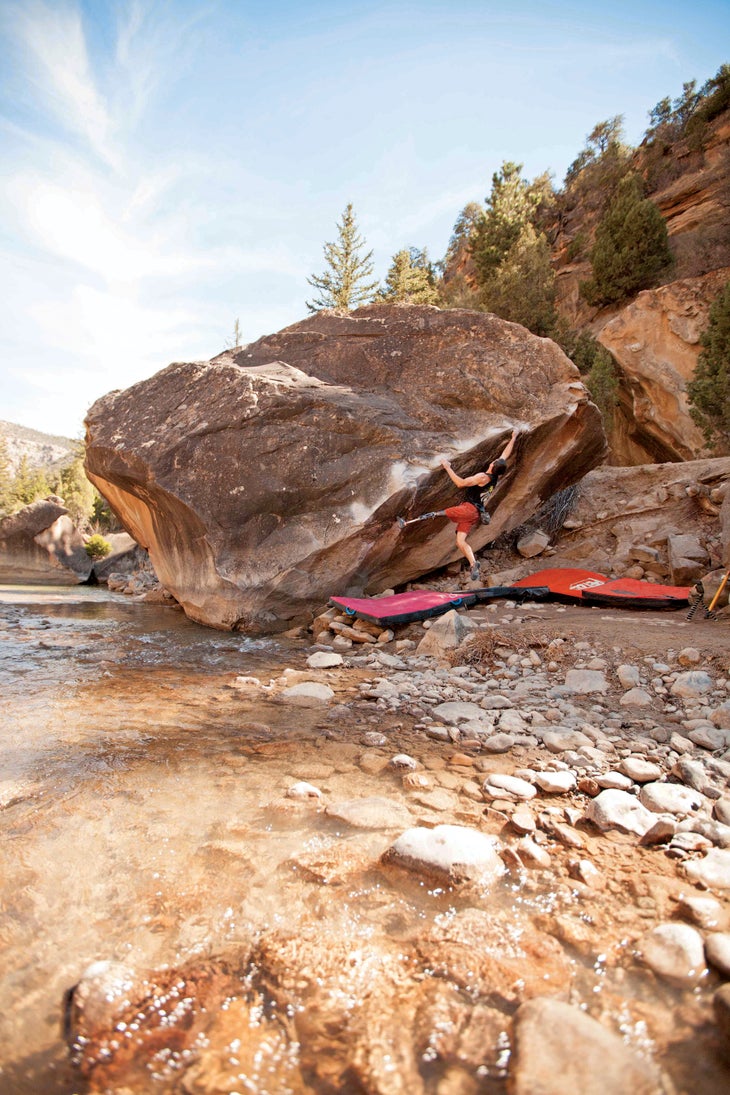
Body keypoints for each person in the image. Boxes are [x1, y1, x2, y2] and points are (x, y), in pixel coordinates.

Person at [396, 428, 519, 581]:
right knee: (460, 541)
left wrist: (447, 467)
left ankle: (405, 523)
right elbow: (504, 455)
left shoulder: (482, 477)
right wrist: (514, 437)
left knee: (438, 513)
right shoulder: (495, 476)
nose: (494, 460)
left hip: (468, 509)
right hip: (474, 515)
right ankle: (473, 563)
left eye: (494, 461)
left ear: (493, 466)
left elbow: (460, 483)